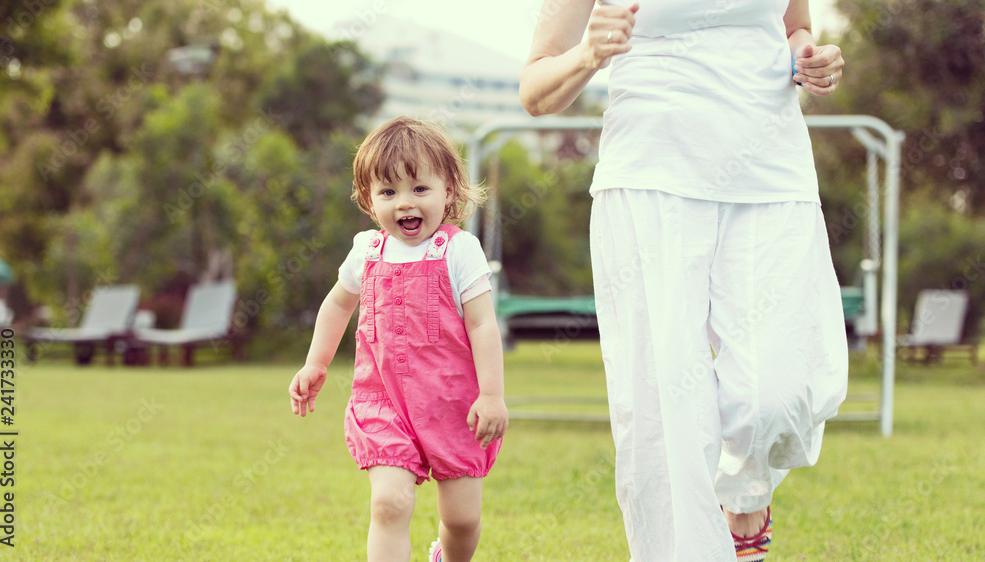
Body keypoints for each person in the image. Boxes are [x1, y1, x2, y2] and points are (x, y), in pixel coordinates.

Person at [520, 1, 848, 560]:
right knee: (663, 413)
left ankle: (745, 492)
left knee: (779, 391)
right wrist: (591, 54)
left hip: (773, 175)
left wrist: (808, 57)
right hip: (652, 177)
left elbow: (795, 25)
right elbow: (536, 89)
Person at [288, 116, 508, 562]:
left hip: (452, 403)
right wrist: (316, 363)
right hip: (383, 399)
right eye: (388, 192)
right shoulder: (367, 251)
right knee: (390, 503)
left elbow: (483, 325)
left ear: (448, 188)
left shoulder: (459, 250)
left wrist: (491, 395)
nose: (404, 203)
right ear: (369, 200)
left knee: (462, 520)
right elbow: (337, 305)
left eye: (419, 189)